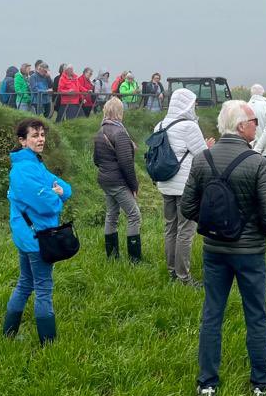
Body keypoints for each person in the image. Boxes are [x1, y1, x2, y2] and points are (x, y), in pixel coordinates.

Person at [181, 100, 266, 396]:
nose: (256, 126)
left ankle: (207, 385)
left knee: (212, 314)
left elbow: (187, 207)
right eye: (253, 120)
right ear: (241, 126)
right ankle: (260, 386)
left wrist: (214, 226)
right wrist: (253, 231)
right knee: (256, 315)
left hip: (214, 251)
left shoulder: (202, 159)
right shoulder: (257, 162)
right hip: (249, 252)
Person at [2, 118, 73, 345]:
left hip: (28, 236)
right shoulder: (23, 171)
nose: (40, 139)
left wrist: (59, 192)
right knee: (42, 288)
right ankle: (48, 343)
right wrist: (57, 197)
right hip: (37, 239)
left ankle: (9, 334)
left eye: (42, 134)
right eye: (34, 135)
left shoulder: (35, 164)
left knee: (25, 282)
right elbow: (48, 204)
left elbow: (65, 187)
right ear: (22, 141)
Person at [154, 88, 215, 288]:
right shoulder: (189, 126)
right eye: (193, 103)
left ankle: (172, 271)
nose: (195, 106)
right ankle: (183, 277)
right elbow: (202, 156)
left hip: (165, 184)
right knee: (185, 231)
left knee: (170, 228)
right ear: (187, 104)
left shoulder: (160, 125)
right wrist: (208, 146)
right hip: (185, 186)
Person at [92, 97, 142, 262]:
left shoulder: (100, 131)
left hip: (105, 179)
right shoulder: (120, 132)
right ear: (120, 112)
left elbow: (96, 160)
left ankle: (112, 257)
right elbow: (126, 164)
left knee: (111, 215)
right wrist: (133, 186)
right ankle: (135, 259)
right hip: (117, 181)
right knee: (134, 215)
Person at [248, 84, 266, 176]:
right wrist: (258, 148)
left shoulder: (245, 107)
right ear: (263, 93)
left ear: (251, 93)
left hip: (248, 152)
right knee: (265, 184)